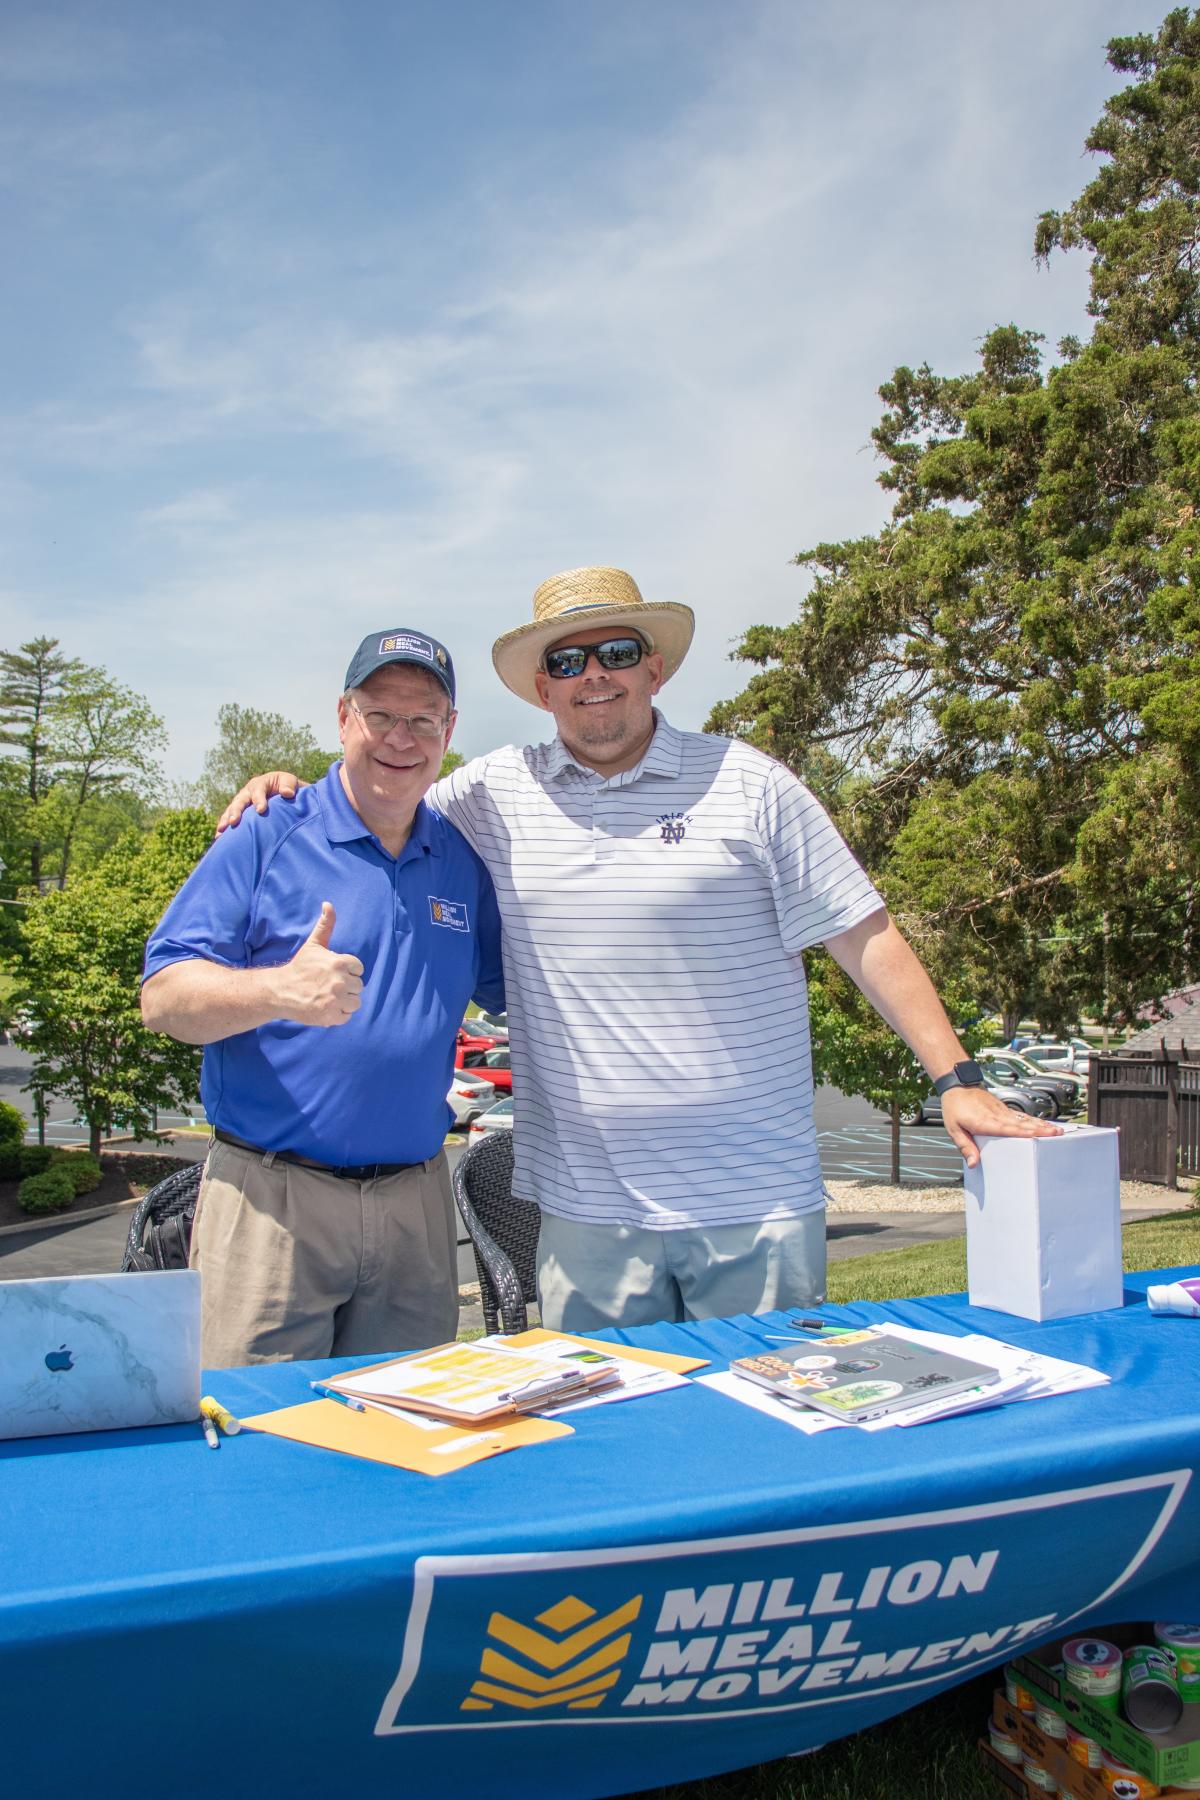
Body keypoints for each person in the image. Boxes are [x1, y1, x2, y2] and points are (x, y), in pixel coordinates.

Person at [218, 567, 1059, 1333]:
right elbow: (380, 792)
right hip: (587, 1217)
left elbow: (863, 932)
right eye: (569, 661)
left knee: (763, 1445)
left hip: (754, 1204)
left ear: (654, 669)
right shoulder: (491, 793)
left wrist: (958, 1080)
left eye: (615, 652)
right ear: (543, 689)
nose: (595, 675)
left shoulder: (752, 783)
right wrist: (282, 791)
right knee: (618, 1447)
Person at [142, 629, 504, 1365]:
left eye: (422, 719)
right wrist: (277, 989)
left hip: (414, 1206)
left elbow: (525, 994)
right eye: (380, 715)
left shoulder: (461, 861)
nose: (400, 739)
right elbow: (164, 998)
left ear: (449, 731)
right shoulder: (267, 830)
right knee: (255, 1439)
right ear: (344, 717)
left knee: (404, 1436)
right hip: (274, 1205)